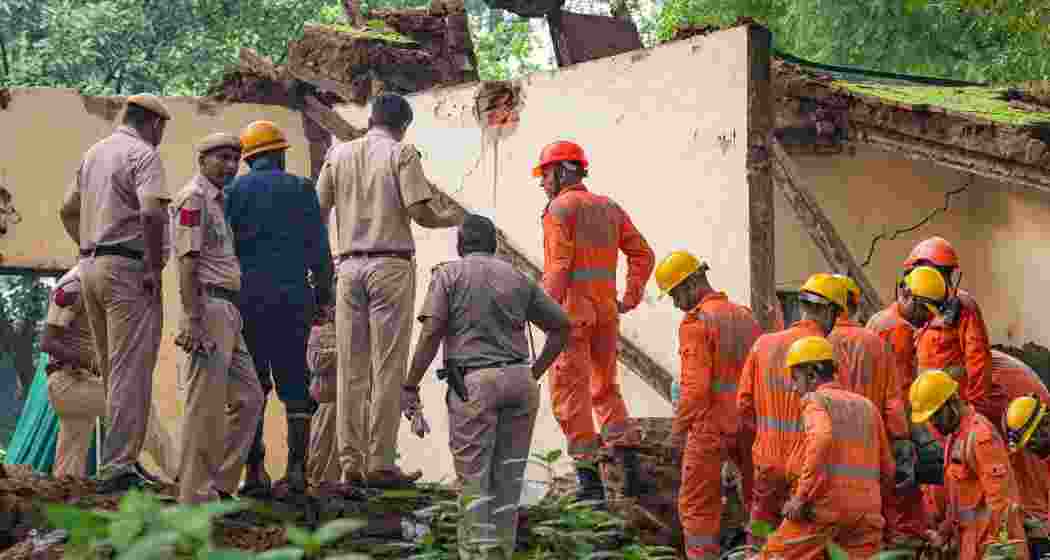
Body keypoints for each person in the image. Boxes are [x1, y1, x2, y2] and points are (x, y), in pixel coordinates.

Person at [317, 92, 464, 490]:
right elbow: (419, 211)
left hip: (347, 265)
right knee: (387, 366)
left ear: (371, 119)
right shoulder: (402, 154)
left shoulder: (339, 155)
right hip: (390, 265)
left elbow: (320, 208)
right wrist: (451, 217)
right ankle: (380, 463)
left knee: (351, 367)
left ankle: (350, 463)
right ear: (403, 125)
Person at [402, 214, 571, 560]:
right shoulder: (517, 277)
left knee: (475, 485)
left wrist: (410, 383)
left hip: (474, 385)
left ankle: (476, 556)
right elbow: (561, 327)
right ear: (494, 245)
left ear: (461, 245)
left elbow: (432, 331)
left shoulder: (448, 274)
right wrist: (533, 372)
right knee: (508, 484)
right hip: (520, 381)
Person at [59, 94, 172, 493]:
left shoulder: (94, 153)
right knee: (131, 369)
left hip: (90, 265)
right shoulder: (143, 155)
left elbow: (66, 209)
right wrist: (154, 267)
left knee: (112, 369)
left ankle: (121, 460)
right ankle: (119, 466)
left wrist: (86, 247)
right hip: (127, 269)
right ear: (155, 124)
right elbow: (153, 211)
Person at [534, 140, 655, 503]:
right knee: (605, 388)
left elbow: (558, 267)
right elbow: (643, 255)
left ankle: (589, 486)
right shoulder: (610, 208)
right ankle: (627, 468)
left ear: (561, 172)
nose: (542, 183)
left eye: (545, 174)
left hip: (572, 316)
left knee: (570, 394)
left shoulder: (559, 209)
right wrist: (630, 298)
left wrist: (541, 310)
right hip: (605, 314)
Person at [224, 120, 334, 497]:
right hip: (293, 299)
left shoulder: (233, 191)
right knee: (296, 385)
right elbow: (319, 250)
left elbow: (225, 249)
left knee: (253, 385)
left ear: (248, 158)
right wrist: (323, 299)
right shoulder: (302, 188)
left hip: (248, 299)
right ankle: (298, 473)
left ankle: (254, 474)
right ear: (281, 154)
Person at [170, 133, 265, 504]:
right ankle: (193, 495)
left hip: (228, 309)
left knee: (249, 397)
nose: (230, 165)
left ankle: (221, 485)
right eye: (222, 158)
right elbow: (187, 262)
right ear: (202, 159)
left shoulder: (218, 201)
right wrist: (192, 319)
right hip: (207, 307)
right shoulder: (194, 198)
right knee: (204, 403)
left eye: (235, 159)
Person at [655, 251, 762, 560]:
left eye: (675, 294)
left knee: (697, 508)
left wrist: (677, 431)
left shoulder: (695, 323)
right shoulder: (745, 316)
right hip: (749, 425)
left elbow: (694, 389)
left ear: (692, 282)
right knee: (759, 503)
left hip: (710, 427)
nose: (676, 303)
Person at [757, 336, 894, 560]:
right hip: (865, 517)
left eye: (796, 378)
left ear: (812, 375)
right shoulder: (868, 407)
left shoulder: (816, 401)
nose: (793, 388)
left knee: (772, 555)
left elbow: (821, 438)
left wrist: (800, 497)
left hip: (822, 511)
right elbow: (888, 468)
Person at [40, 264, 177, 481]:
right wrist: (93, 361)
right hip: (67, 383)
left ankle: (64, 496)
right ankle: (182, 476)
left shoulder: (103, 284)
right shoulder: (72, 287)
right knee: (137, 407)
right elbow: (47, 342)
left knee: (69, 464)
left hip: (79, 384)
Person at [737, 273, 846, 545]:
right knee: (799, 544)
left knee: (761, 534)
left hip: (767, 461)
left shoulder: (763, 345)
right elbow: (837, 409)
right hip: (805, 466)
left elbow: (744, 406)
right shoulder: (829, 352)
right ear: (828, 311)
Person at [828, 274, 913, 547]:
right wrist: (902, 443)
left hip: (826, 451)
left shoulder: (817, 341)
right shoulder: (874, 343)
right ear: (852, 304)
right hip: (869, 454)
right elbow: (893, 403)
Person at [868, 265, 950, 547]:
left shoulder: (880, 321)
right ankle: (909, 537)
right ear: (908, 297)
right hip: (893, 424)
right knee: (907, 484)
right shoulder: (898, 331)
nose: (928, 318)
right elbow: (899, 393)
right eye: (926, 310)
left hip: (877, 421)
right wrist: (912, 437)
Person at [910, 370, 1028, 560]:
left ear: (951, 403)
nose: (932, 424)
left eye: (935, 416)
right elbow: (963, 502)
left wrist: (999, 550)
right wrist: (944, 532)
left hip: (994, 549)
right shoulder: (956, 436)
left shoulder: (980, 436)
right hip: (973, 546)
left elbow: (1002, 500)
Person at [905, 237, 995, 422]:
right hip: (929, 406)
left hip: (953, 408)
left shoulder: (963, 306)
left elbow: (978, 359)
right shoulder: (918, 302)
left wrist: (976, 410)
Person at [1004, 393, 1050, 559]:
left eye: (1031, 441)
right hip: (1038, 536)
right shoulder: (1024, 456)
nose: (1030, 447)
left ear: (1045, 424)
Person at [306, 291, 340, 487]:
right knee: (321, 451)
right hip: (326, 401)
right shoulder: (319, 331)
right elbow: (316, 362)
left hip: (350, 403)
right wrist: (343, 351)